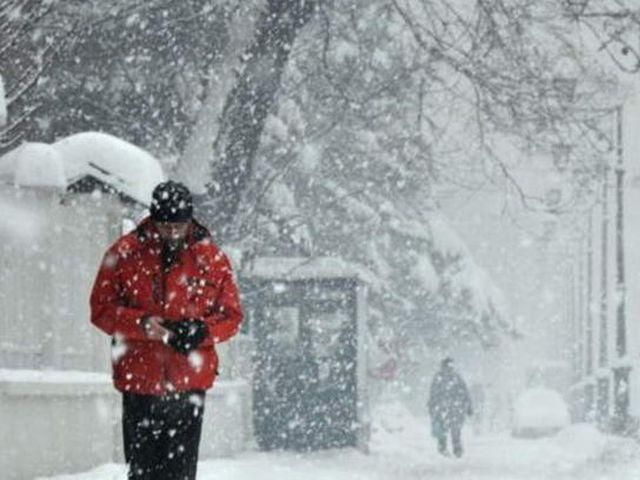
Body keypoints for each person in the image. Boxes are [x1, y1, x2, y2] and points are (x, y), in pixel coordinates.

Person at [90, 180, 243, 480]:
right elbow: (101, 309)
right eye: (165, 226)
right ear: (154, 218)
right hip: (140, 382)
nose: (172, 233)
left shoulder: (211, 259)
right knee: (143, 471)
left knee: (181, 472)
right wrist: (142, 324)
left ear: (190, 219)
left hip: (189, 383)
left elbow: (232, 316)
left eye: (179, 226)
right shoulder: (125, 253)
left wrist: (202, 331)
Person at [428, 357, 473, 458]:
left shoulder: (439, 377)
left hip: (443, 407)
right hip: (454, 408)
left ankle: (443, 447)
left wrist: (432, 405)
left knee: (442, 428)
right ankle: (456, 449)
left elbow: (433, 393)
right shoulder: (456, 377)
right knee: (455, 429)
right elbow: (465, 391)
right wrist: (469, 406)